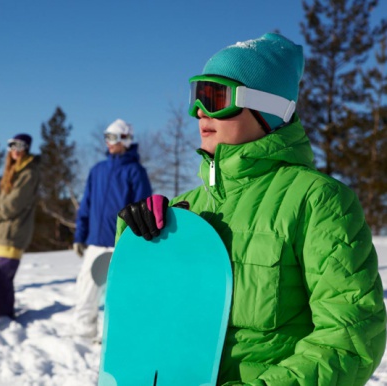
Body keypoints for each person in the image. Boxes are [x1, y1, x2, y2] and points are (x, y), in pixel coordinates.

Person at [117, 33, 386, 385]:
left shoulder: (317, 200)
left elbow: (351, 336)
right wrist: (138, 239)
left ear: (267, 110)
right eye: (196, 97)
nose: (199, 111)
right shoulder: (188, 207)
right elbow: (146, 314)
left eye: (214, 97)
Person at [73, 119, 152, 339]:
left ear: (126, 139)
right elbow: (86, 205)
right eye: (106, 137)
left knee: (117, 294)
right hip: (96, 243)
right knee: (86, 291)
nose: (109, 142)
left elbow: (144, 209)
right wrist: (80, 236)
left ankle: (111, 339)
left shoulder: (136, 172)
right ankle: (83, 335)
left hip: (121, 245)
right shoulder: (97, 171)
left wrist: (137, 244)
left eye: (113, 137)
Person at [0, 133, 40, 320]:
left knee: (2, 280)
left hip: (13, 233)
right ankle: (1, 313)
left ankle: (4, 317)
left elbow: (12, 205)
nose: (15, 150)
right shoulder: (14, 171)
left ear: (27, 148)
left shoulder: (28, 173)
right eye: (12, 146)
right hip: (3, 233)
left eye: (20, 146)